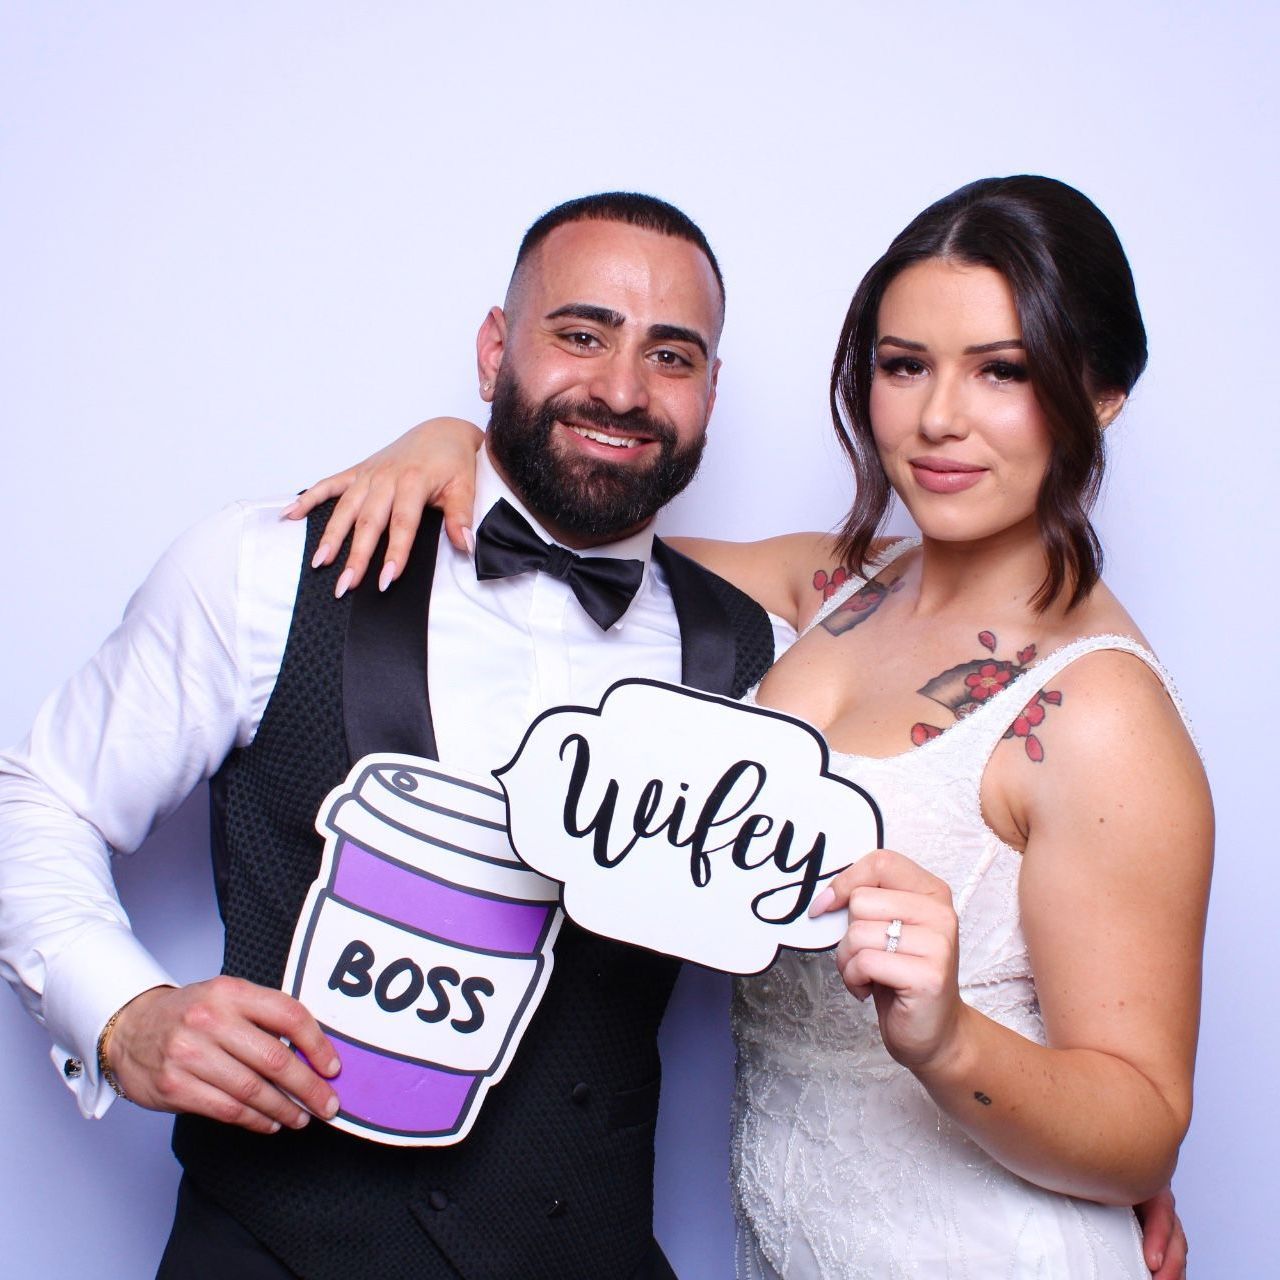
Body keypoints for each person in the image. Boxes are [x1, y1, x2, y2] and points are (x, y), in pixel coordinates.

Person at [293, 176, 1210, 1278]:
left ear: (1099, 391)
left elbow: (1143, 1122)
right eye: (903, 363)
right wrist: (455, 439)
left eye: (1000, 370)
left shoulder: (1099, 710)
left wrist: (953, 1038)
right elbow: (583, 548)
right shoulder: (832, 585)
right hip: (792, 1235)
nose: (935, 418)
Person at [0, 193, 790, 1280]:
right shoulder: (266, 568)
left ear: (708, 392)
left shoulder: (761, 658)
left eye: (671, 354)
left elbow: (950, 581)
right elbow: (38, 794)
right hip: (267, 1248)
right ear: (491, 348)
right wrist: (122, 1010)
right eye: (579, 333)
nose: (620, 388)